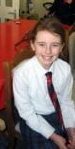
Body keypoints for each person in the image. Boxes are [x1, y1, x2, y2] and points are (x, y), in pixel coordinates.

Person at [13, 17, 75, 149]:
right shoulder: (22, 74)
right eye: (42, 44)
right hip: (33, 118)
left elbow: (66, 101)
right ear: (32, 44)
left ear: (62, 47)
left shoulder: (64, 69)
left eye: (54, 45)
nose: (48, 51)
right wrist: (54, 136)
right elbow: (27, 112)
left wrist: (70, 128)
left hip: (57, 113)